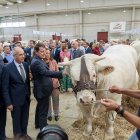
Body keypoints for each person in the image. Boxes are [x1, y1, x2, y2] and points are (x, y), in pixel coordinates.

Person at [30, 43, 64, 131]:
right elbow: (46, 72)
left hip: (42, 89)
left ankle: (37, 124)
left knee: (39, 107)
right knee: (43, 111)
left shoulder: (39, 59)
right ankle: (43, 128)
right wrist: (61, 74)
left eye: (45, 51)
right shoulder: (37, 62)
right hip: (42, 90)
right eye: (41, 51)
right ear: (36, 52)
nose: (44, 53)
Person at [2, 47, 31, 140]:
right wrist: (8, 103)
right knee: (17, 122)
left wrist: (29, 95)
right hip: (15, 101)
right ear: (14, 56)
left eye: (24, 54)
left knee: (25, 120)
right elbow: (5, 88)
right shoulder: (7, 68)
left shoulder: (26, 65)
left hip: (25, 99)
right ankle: (18, 137)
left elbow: (26, 83)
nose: (23, 56)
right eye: (21, 54)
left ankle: (25, 135)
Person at [44, 49, 60, 121]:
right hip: (45, 85)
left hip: (55, 84)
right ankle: (49, 114)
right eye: (46, 53)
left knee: (55, 100)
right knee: (47, 101)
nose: (47, 54)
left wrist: (55, 80)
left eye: (48, 53)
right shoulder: (41, 63)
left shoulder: (53, 62)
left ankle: (56, 114)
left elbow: (57, 72)